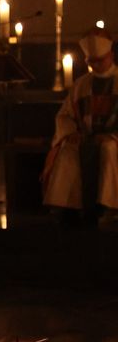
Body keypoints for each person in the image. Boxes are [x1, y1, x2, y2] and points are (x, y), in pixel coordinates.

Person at [43, 28, 118, 228]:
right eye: (91, 62)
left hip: (113, 140)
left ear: (110, 55)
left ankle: (110, 206)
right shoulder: (82, 84)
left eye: (100, 60)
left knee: (109, 149)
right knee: (68, 148)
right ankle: (66, 205)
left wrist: (112, 136)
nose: (95, 65)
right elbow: (64, 115)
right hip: (86, 137)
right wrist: (71, 132)